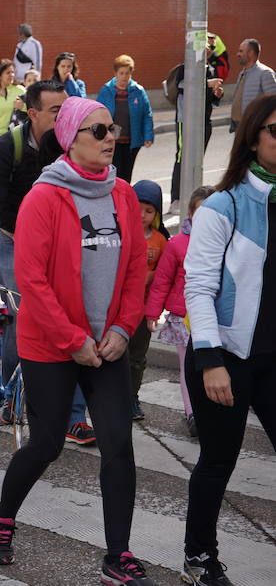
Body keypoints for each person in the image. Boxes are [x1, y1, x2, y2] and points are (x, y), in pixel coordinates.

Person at [0, 97, 156, 586]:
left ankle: (117, 555)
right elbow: (32, 281)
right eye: (98, 131)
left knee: (119, 447)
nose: (110, 139)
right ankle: (2, 516)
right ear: (71, 138)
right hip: (53, 347)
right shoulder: (44, 196)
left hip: (108, 347)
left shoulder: (122, 195)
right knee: (45, 445)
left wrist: (123, 329)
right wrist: (74, 338)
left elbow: (134, 269)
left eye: (112, 130)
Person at [181, 93, 276, 586]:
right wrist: (210, 359)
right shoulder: (225, 204)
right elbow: (197, 286)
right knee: (218, 462)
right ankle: (199, 557)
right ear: (254, 138)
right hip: (229, 357)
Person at [0, 80, 97, 446]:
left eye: (66, 110)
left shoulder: (72, 146)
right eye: (55, 111)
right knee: (23, 318)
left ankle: (74, 417)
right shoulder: (8, 147)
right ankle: (13, 398)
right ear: (33, 113)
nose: (63, 118)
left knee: (68, 320)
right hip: (13, 243)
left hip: (63, 247)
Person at [145, 186, 213, 438]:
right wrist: (152, 313)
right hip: (182, 318)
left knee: (211, 367)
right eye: (201, 212)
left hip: (212, 318)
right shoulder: (177, 245)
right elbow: (162, 280)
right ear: (190, 214)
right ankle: (192, 413)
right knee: (188, 369)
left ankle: (209, 412)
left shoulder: (224, 240)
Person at [128, 180, 169, 421]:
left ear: (157, 214)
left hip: (144, 312)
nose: (142, 214)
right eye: (137, 207)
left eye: (149, 210)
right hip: (120, 310)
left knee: (136, 358)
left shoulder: (160, 241)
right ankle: (115, 397)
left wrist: (151, 276)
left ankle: (132, 396)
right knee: (117, 357)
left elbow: (165, 275)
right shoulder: (121, 234)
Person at [168, 48, 224, 211]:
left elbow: (211, 101)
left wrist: (216, 94)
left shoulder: (210, 69)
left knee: (197, 160)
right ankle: (176, 199)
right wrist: (207, 84)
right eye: (205, 46)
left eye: (210, 48)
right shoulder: (185, 67)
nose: (208, 50)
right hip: (185, 120)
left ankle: (192, 197)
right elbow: (181, 86)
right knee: (182, 157)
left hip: (204, 120)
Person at [96, 54, 154, 183]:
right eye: (121, 73)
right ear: (115, 73)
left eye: (127, 73)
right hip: (111, 140)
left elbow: (147, 114)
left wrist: (148, 136)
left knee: (127, 173)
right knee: (114, 172)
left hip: (131, 141)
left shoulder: (138, 91)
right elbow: (97, 113)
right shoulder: (106, 90)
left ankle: (124, 198)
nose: (124, 77)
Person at [230, 39, 276, 133]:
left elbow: (273, 101)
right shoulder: (242, 73)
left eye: (241, 51)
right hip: (240, 127)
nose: (238, 54)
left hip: (255, 127)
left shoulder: (265, 73)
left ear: (250, 53)